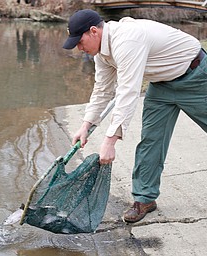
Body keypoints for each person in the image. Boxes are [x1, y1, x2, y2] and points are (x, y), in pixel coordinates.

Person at [63, 9, 207, 223]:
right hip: (162, 84)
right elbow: (103, 89)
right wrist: (86, 125)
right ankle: (145, 199)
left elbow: (127, 91)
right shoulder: (102, 53)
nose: (78, 47)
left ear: (94, 31)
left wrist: (110, 140)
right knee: (151, 141)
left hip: (196, 76)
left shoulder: (127, 39)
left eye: (80, 41)